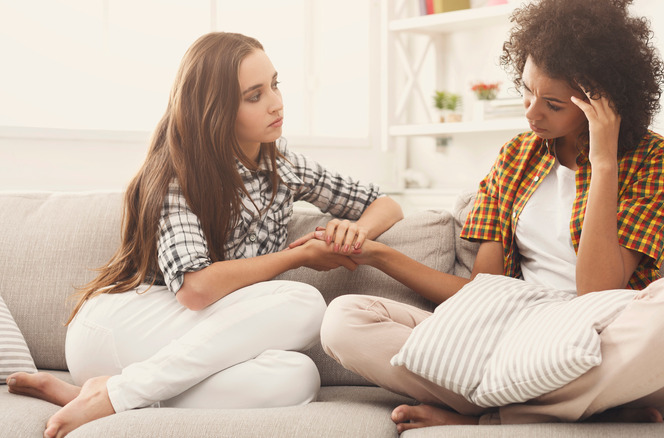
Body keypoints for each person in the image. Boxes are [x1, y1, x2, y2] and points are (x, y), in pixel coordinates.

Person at [317, 0, 664, 432]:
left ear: (599, 102)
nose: (531, 112)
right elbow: (482, 295)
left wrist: (604, 161)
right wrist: (379, 255)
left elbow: (597, 291)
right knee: (344, 319)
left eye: (552, 103)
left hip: (602, 331)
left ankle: (491, 415)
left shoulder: (652, 158)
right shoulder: (516, 156)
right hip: (514, 333)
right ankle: (577, 406)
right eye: (527, 90)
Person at [5, 32, 403, 438]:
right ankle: (115, 395)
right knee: (304, 302)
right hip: (119, 328)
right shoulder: (175, 175)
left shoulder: (285, 166)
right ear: (215, 109)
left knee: (298, 377)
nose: (276, 102)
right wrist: (298, 256)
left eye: (275, 84)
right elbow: (195, 291)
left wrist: (355, 231)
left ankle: (103, 393)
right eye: (254, 95)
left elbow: (386, 204)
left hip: (177, 346)